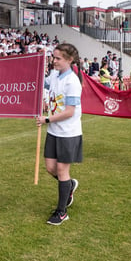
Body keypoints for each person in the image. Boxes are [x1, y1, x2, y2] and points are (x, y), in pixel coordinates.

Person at [35, 43, 82, 226]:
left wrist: (47, 120)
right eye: (53, 57)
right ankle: (69, 186)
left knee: (62, 170)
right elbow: (41, 83)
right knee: (50, 168)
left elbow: (70, 111)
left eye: (58, 58)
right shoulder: (54, 74)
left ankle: (62, 211)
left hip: (68, 132)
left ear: (69, 60)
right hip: (54, 131)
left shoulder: (72, 82)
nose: (54, 61)